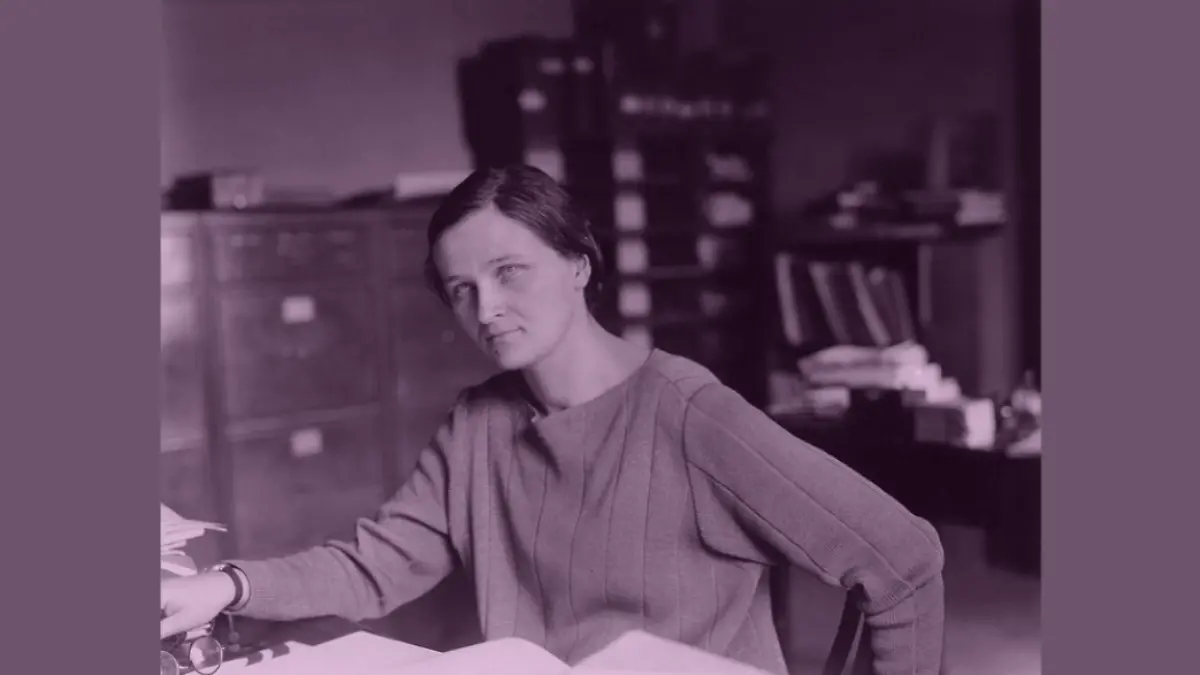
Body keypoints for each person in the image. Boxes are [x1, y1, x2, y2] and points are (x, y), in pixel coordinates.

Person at [160, 165, 945, 675]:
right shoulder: (479, 424)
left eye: (509, 272)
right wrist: (228, 584)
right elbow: (376, 566)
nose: (486, 308)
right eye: (461, 289)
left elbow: (905, 562)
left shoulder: (691, 415)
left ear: (579, 263)